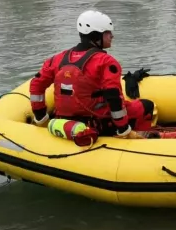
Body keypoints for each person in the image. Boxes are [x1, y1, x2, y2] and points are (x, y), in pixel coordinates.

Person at [29, 10, 155, 146]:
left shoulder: (56, 59)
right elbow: (113, 97)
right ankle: (142, 143)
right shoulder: (105, 62)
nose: (112, 36)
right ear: (96, 35)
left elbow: (36, 85)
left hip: (63, 121)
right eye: (108, 32)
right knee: (147, 105)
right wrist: (123, 129)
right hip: (99, 124)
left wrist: (41, 118)